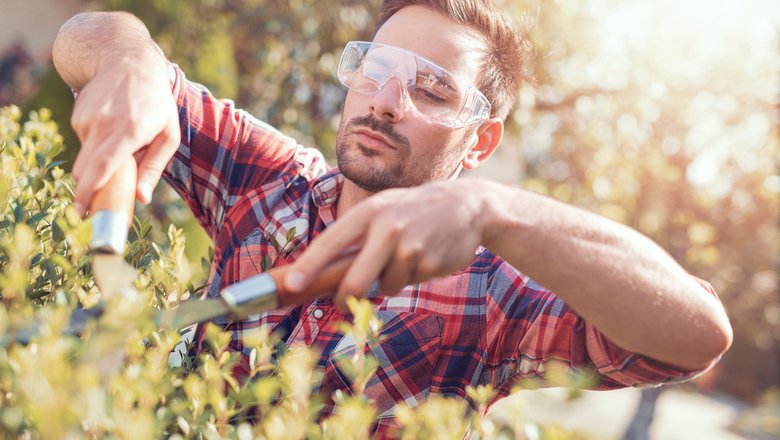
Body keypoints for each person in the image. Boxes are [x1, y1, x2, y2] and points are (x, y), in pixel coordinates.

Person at [53, 0, 732, 435]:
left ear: (480, 142)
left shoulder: (492, 288)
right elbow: (90, 34)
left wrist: (492, 207)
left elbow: (696, 335)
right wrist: (127, 58)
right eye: (376, 68)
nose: (387, 100)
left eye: (433, 89)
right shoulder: (270, 177)